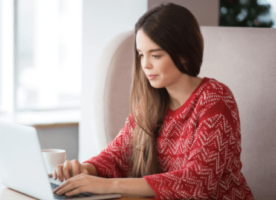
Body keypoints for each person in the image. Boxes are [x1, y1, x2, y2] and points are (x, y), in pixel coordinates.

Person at [53, 3, 255, 200]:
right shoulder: (151, 104)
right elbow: (117, 155)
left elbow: (196, 183)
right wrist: (84, 171)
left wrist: (106, 185)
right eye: (141, 55)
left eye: (156, 55)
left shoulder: (215, 99)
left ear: (184, 54)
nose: (145, 65)